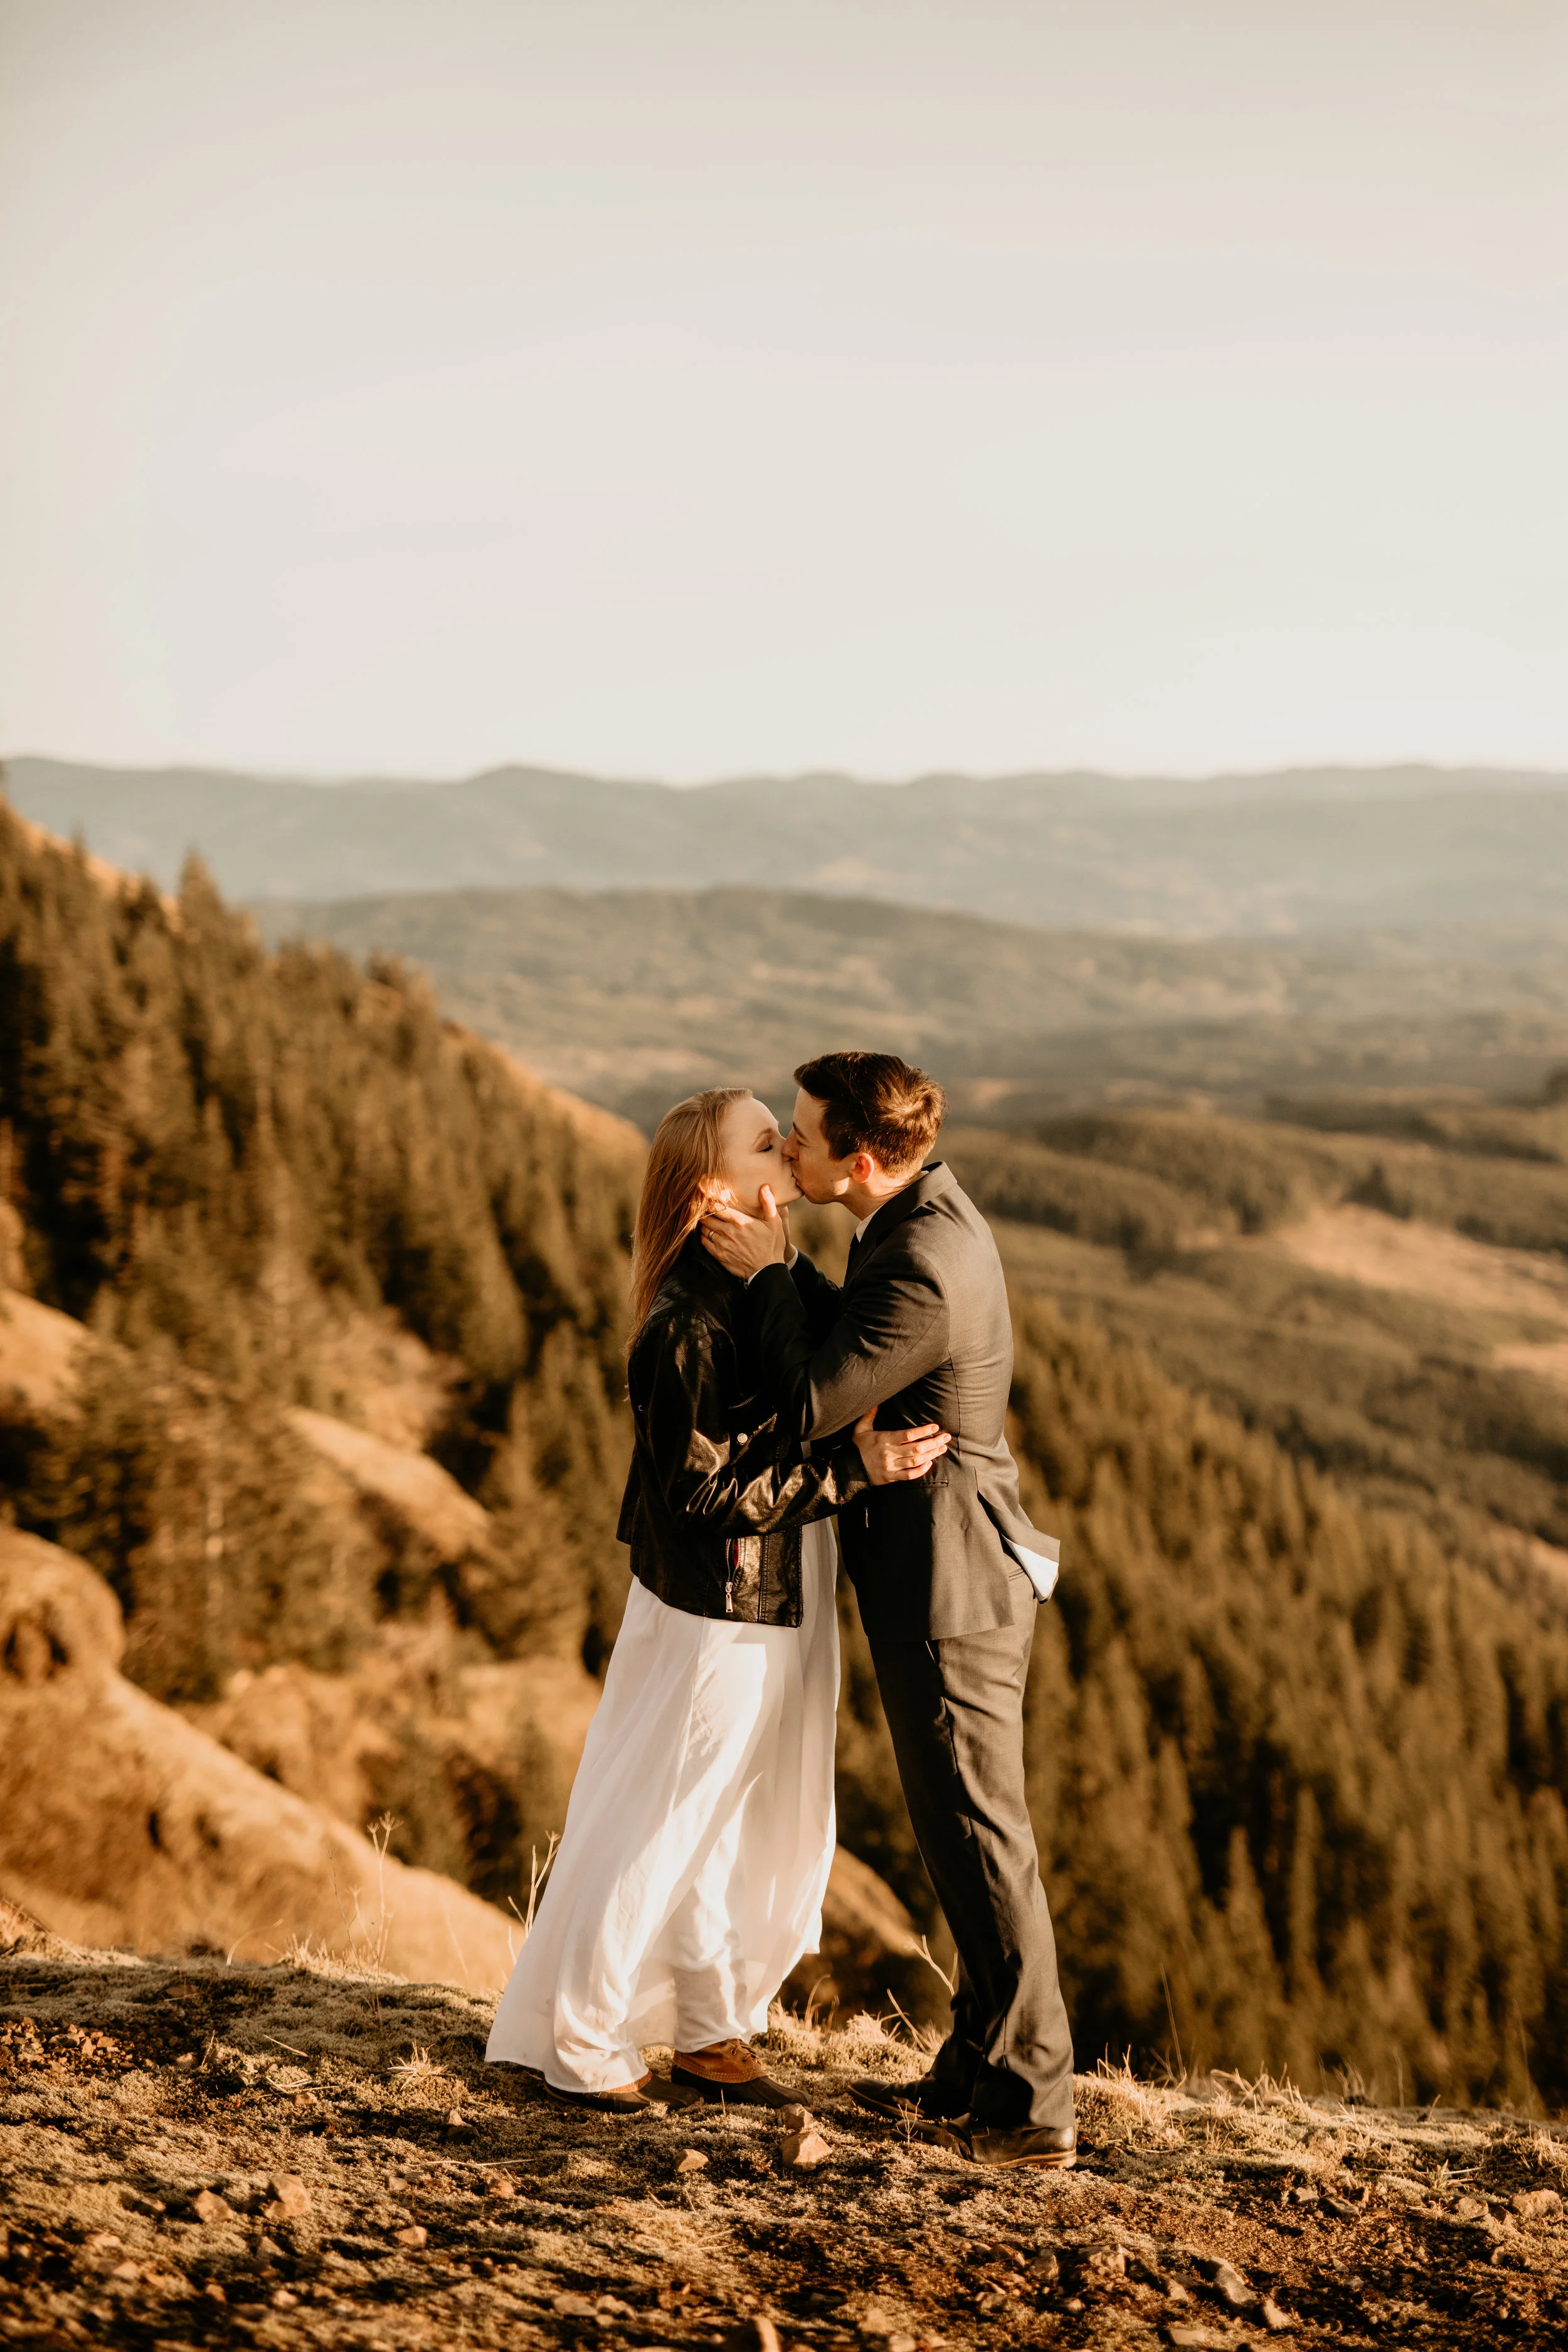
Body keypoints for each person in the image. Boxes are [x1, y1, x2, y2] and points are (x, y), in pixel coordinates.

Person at [486, 1084, 950, 2114]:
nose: (784, 1143)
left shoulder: (751, 1284)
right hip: (717, 1611)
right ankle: (584, 2037)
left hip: (765, 1598)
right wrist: (855, 1469)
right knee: (665, 1818)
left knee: (719, 1822)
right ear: (714, 1188)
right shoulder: (685, 1322)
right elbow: (703, 1493)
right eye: (760, 1137)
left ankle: (704, 2027)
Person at [702, 1050, 1076, 2169]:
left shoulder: (921, 1261)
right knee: (954, 1831)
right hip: (942, 1573)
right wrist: (797, 1275)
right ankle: (975, 2064)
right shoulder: (916, 1214)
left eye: (807, 1137)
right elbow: (852, 1344)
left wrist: (771, 1271)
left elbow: (818, 1399)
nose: (794, 1150)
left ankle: (1031, 2103)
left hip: (950, 1586)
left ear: (861, 1159)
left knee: (980, 1833)